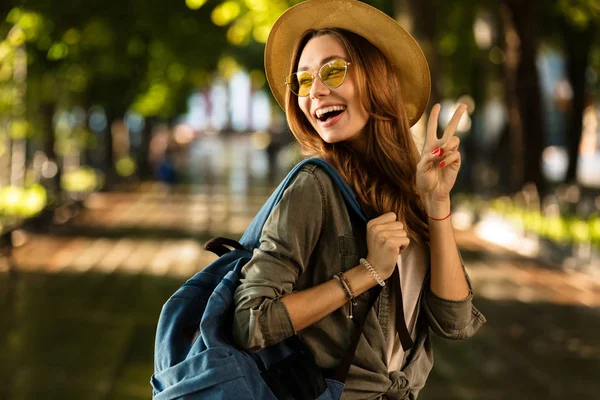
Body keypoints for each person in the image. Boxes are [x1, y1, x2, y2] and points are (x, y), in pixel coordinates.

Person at [232, 0, 486, 398]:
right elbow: (251, 321)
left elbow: (455, 321)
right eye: (301, 80)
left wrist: (437, 204)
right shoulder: (313, 188)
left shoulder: (410, 188)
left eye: (333, 71)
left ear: (376, 78)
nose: (315, 91)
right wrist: (365, 273)